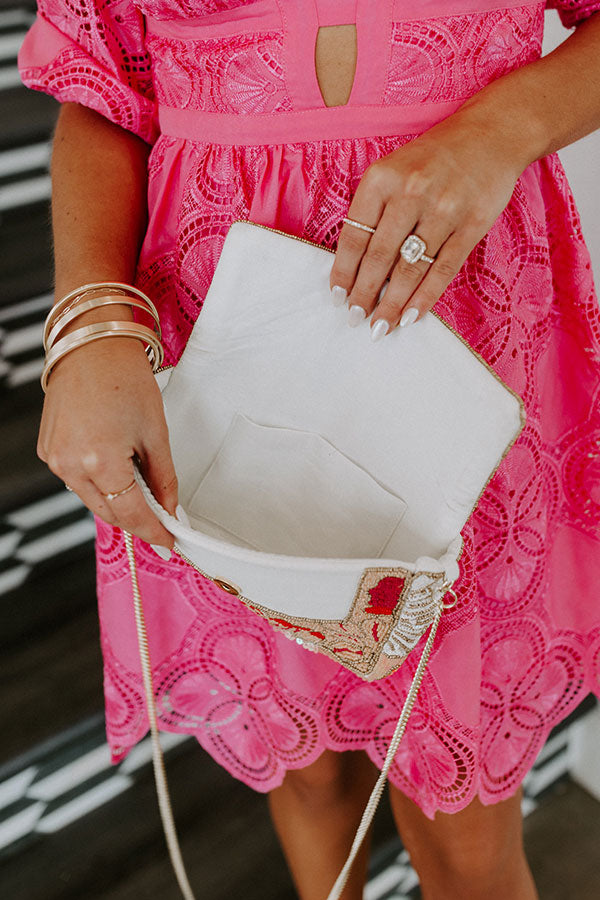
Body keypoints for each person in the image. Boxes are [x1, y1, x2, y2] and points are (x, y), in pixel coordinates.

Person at [18, 1, 600, 897]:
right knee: (305, 764)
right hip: (213, 355)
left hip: (455, 348)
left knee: (463, 828)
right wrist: (89, 324)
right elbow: (103, 90)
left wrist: (500, 130)